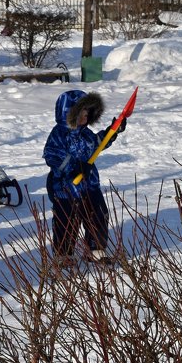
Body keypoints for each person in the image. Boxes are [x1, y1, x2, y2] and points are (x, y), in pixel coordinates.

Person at [43, 90, 126, 262]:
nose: (85, 115)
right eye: (81, 112)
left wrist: (112, 132)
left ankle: (95, 250)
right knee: (67, 221)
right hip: (65, 187)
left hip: (89, 185)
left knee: (98, 215)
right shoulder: (59, 134)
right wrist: (72, 168)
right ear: (69, 114)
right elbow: (52, 155)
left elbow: (97, 144)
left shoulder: (86, 133)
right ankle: (64, 254)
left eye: (88, 112)